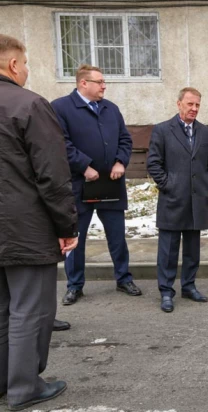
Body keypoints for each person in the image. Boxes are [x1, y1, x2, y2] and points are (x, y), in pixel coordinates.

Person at [0, 33, 78, 411]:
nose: (27, 69)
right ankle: (24, 386)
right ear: (13, 64)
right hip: (25, 229)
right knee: (30, 309)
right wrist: (66, 227)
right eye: (26, 62)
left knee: (2, 310)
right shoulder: (29, 104)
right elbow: (52, 174)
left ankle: (4, 380)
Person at [52, 64, 141, 305]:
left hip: (110, 185)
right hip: (79, 186)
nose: (104, 86)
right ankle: (74, 285)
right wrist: (84, 166)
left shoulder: (111, 109)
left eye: (104, 82)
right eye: (99, 82)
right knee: (75, 238)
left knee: (117, 236)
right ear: (83, 83)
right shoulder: (61, 108)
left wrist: (121, 162)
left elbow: (125, 138)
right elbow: (61, 143)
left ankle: (123, 278)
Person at [147, 88, 208, 313]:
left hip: (197, 200)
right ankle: (166, 291)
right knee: (168, 250)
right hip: (172, 199)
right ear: (178, 104)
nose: (194, 109)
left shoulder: (204, 132)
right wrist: (169, 185)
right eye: (190, 104)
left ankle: (189, 286)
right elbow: (154, 164)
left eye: (197, 105)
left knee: (192, 249)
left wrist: (206, 185)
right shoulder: (162, 130)